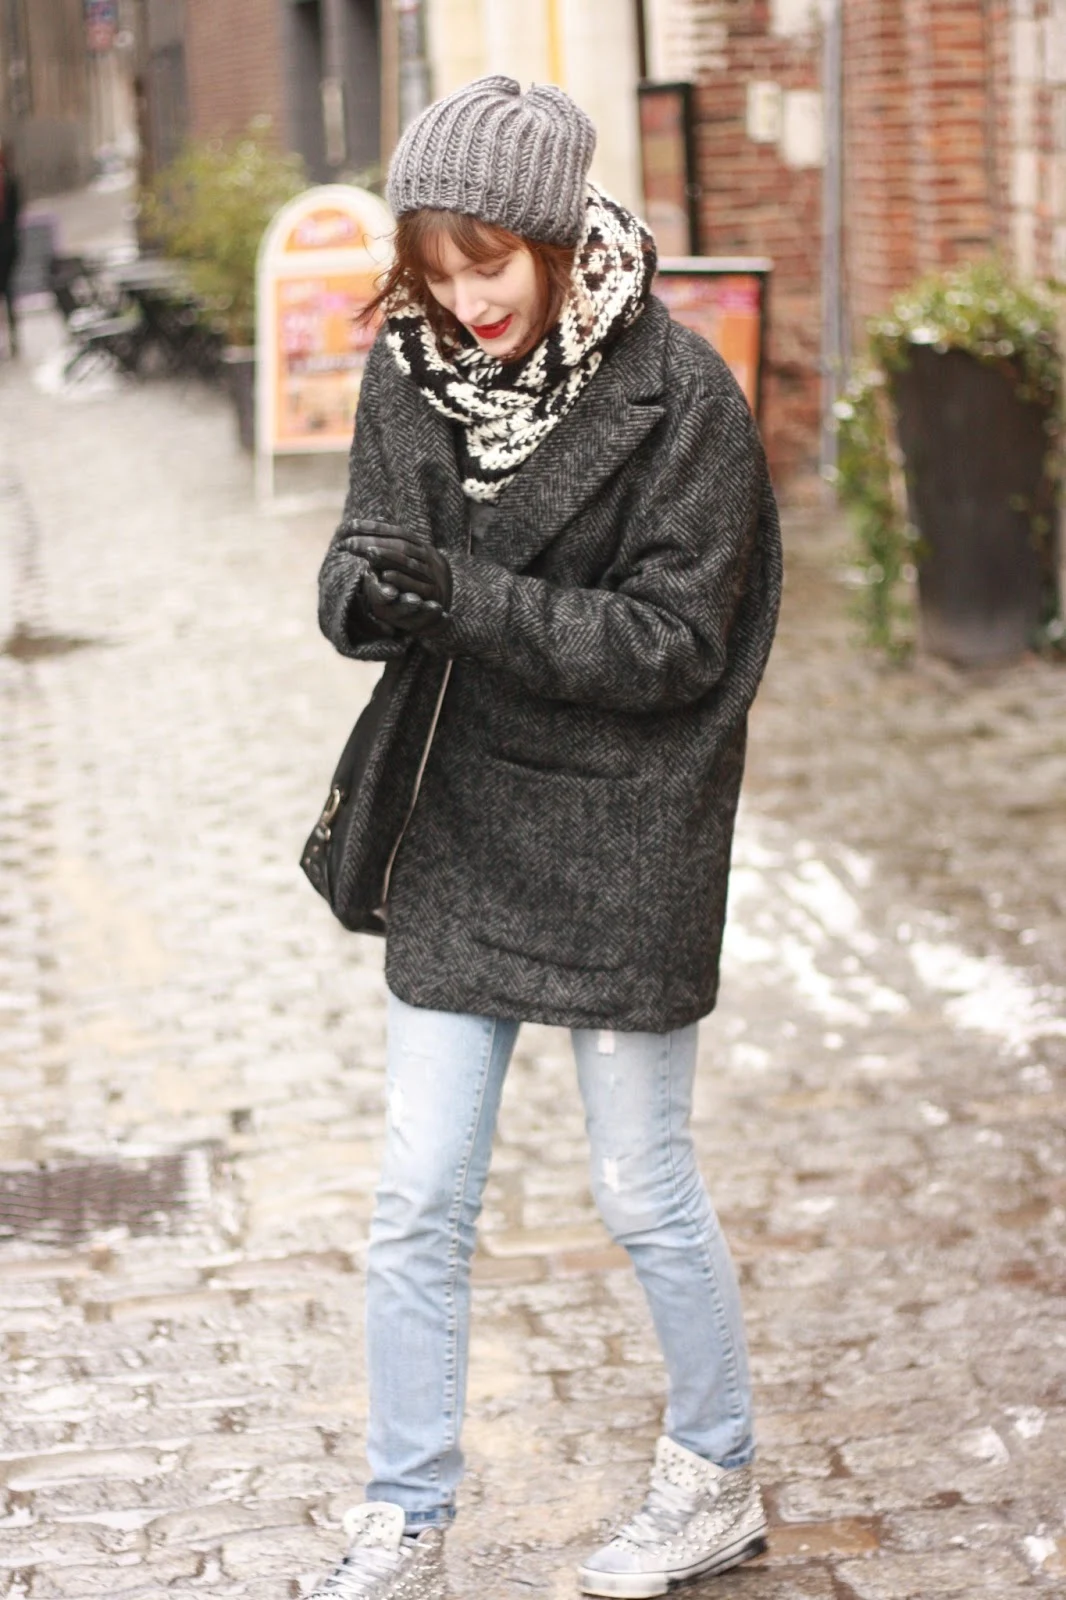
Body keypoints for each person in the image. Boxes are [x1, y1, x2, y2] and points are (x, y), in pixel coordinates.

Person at [311, 76, 782, 1600]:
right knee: (417, 1195)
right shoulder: (413, 367)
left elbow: (675, 645)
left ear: (558, 238)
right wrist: (364, 595)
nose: (467, 301)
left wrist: (462, 598)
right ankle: (404, 1515)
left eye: (489, 263)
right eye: (435, 269)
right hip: (461, 820)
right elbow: (363, 558)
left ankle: (713, 1474)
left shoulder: (680, 395)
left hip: (626, 828)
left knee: (640, 1182)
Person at [0, 142, 21, 358]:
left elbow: (15, 214)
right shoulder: (9, 182)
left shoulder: (9, 182)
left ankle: (13, 337)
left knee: (8, 293)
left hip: (7, 248)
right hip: (9, 246)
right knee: (8, 294)